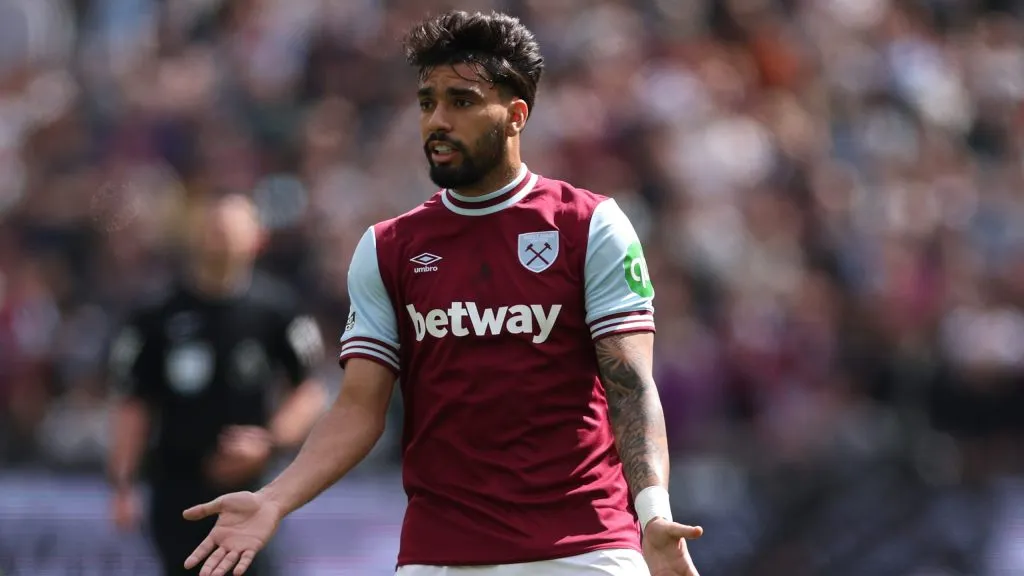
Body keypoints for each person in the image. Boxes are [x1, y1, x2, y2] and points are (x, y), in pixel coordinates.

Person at [182, 10, 703, 576]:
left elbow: (630, 385)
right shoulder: (388, 247)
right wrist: (274, 499)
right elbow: (359, 408)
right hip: (442, 556)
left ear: (515, 115)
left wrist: (653, 514)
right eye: (427, 102)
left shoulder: (591, 226)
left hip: (583, 547)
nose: (437, 120)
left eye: (461, 101)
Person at [106, 193, 328, 576]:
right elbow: (134, 405)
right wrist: (123, 484)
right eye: (213, 229)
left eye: (230, 230)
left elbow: (309, 391)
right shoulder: (155, 314)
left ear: (257, 239)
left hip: (251, 490)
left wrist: (268, 441)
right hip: (177, 489)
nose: (220, 239)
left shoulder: (279, 310)